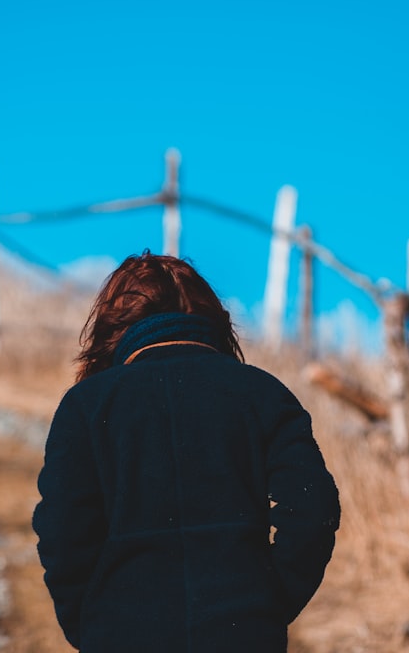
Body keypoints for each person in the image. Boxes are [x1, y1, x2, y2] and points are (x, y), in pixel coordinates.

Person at [33, 252, 340, 653]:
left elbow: (63, 534)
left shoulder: (87, 405)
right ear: (214, 320)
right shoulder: (262, 394)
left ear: (113, 329)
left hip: (120, 635)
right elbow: (312, 510)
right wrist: (267, 604)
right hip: (243, 634)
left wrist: (90, 623)